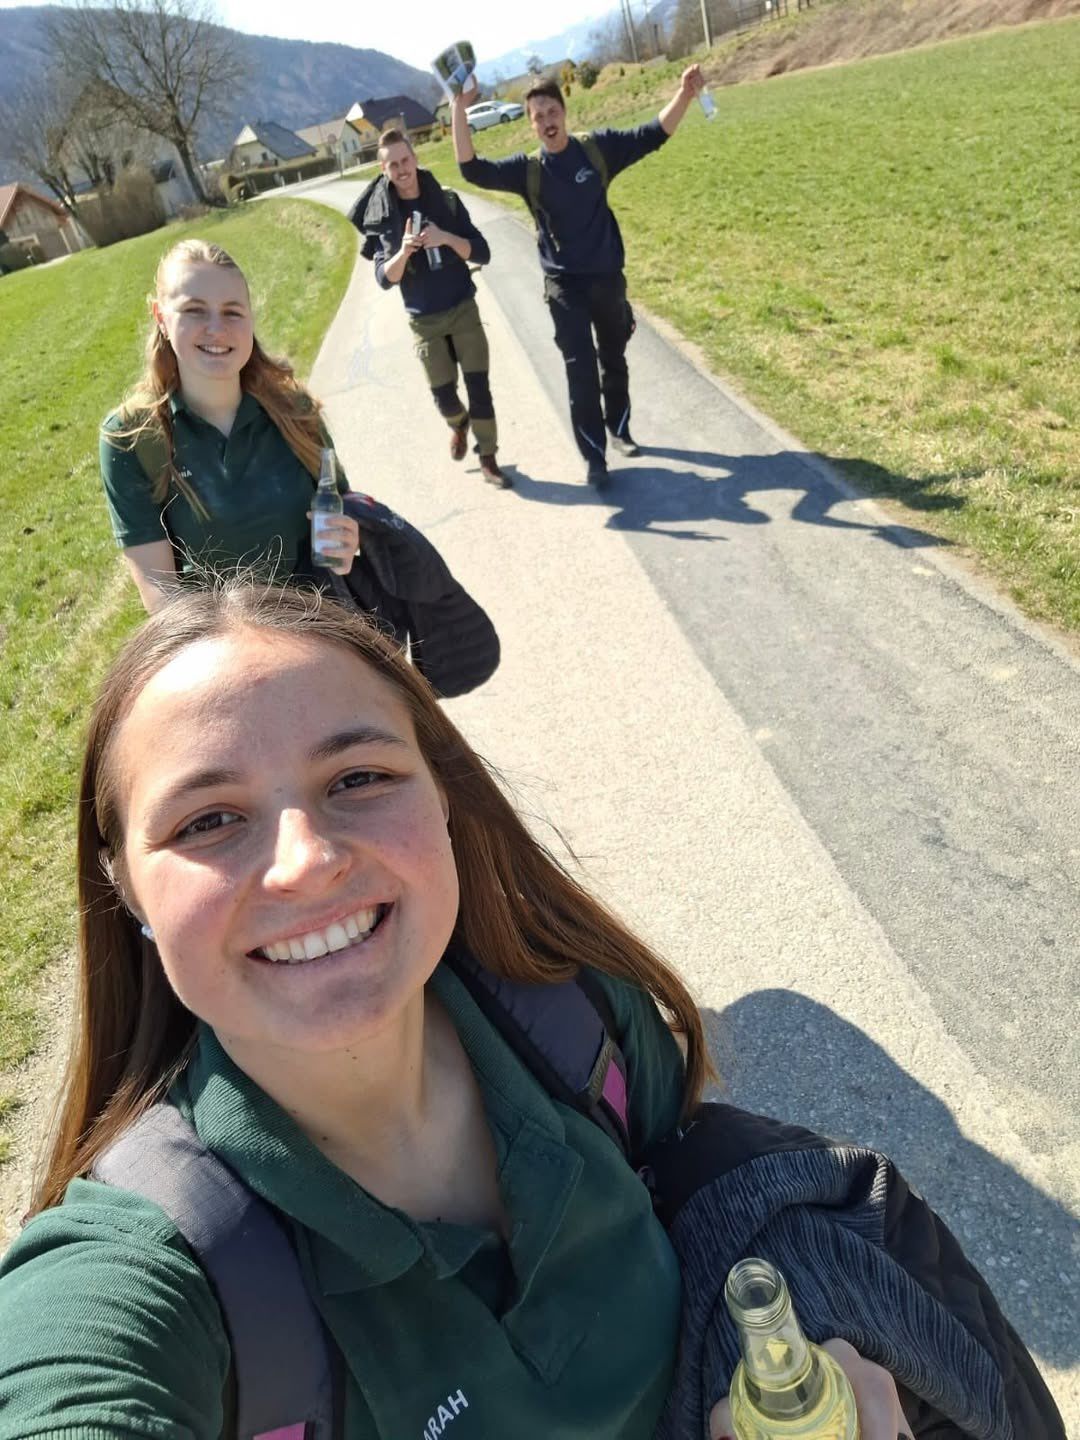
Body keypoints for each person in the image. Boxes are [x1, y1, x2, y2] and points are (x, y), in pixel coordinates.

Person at [0, 585, 1061, 1438]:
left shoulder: (580, 1025)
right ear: (125, 887)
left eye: (360, 776)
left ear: (443, 798)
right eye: (211, 819)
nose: (309, 860)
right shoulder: (153, 1272)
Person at [452, 67, 705, 489]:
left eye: (552, 111)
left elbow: (651, 135)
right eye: (538, 116)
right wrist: (460, 108)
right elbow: (471, 170)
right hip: (564, 287)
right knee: (580, 369)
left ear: (565, 112)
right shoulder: (528, 170)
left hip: (607, 276)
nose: (547, 121)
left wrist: (684, 95)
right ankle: (594, 457)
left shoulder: (596, 151)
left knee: (614, 357)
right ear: (531, 124)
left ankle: (619, 428)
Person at [98, 239, 360, 612]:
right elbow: (164, 603)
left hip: (324, 633)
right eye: (194, 310)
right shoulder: (132, 437)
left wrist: (346, 541)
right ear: (161, 317)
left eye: (232, 312)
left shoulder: (295, 410)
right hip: (223, 655)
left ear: (250, 318)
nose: (216, 329)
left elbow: (342, 511)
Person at [351, 128, 509, 489]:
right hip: (424, 321)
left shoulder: (447, 202)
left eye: (405, 160)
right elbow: (383, 278)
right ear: (383, 169)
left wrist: (446, 239)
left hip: (462, 307)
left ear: (416, 158)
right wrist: (403, 252)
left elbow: (482, 251)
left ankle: (488, 456)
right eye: (393, 164)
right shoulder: (382, 219)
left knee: (479, 388)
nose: (402, 169)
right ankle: (459, 424)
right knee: (444, 397)